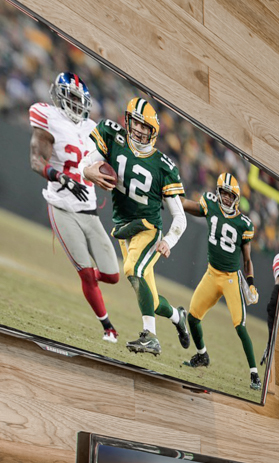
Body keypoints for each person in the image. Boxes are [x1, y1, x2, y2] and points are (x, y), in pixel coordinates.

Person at [90, 96, 191, 356]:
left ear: (153, 132)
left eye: (145, 127)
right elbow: (90, 158)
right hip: (123, 228)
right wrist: (88, 170)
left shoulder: (164, 166)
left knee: (132, 269)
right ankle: (179, 318)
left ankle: (151, 337)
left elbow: (180, 217)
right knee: (153, 301)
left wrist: (168, 240)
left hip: (147, 228)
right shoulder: (112, 136)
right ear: (127, 120)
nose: (139, 129)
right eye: (136, 122)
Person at [27, 71, 121, 343]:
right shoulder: (48, 117)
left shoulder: (91, 128)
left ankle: (86, 276)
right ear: (58, 95)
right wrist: (61, 178)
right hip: (62, 206)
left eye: (81, 100)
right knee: (86, 275)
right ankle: (108, 327)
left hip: (90, 211)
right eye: (72, 98)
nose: (77, 105)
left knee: (112, 275)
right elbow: (36, 160)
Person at [178, 172, 261, 388]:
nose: (225, 198)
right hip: (211, 274)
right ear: (218, 193)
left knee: (240, 326)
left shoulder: (244, 224)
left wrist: (251, 284)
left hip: (231, 279)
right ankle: (202, 355)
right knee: (193, 317)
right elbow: (187, 204)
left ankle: (254, 374)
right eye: (223, 193)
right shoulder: (209, 204)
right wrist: (169, 198)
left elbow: (248, 259)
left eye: (229, 195)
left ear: (236, 198)